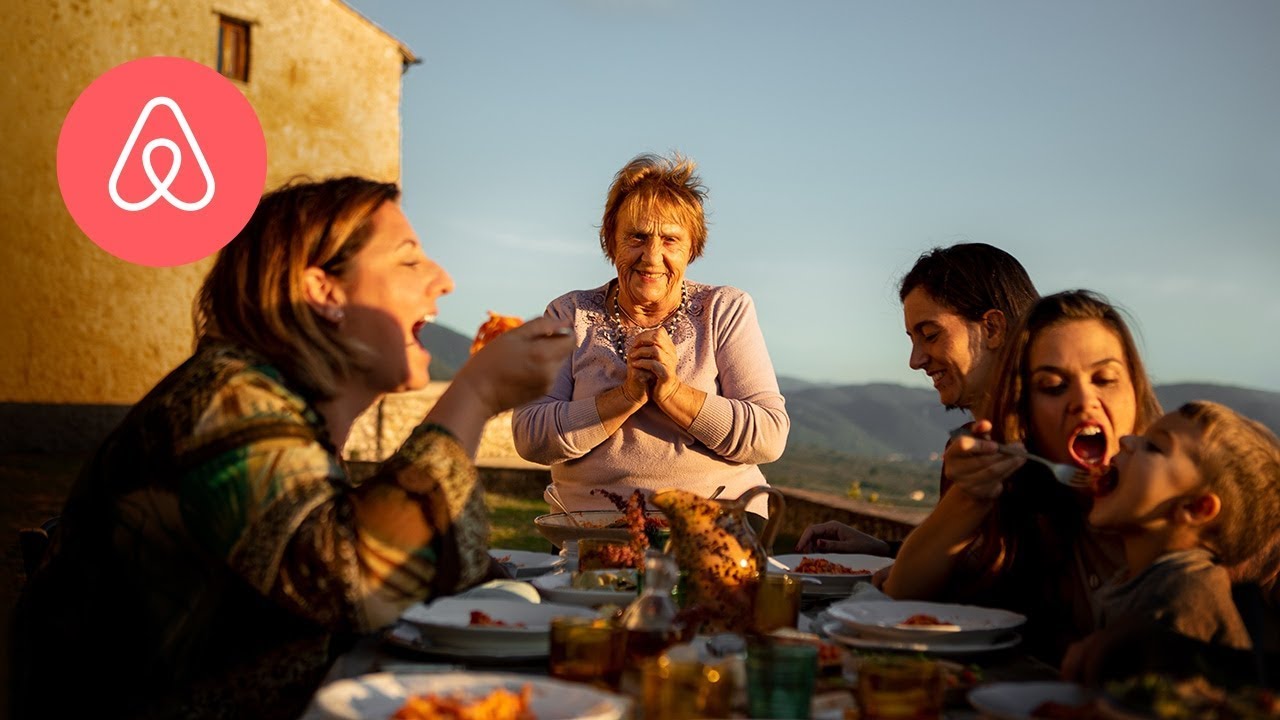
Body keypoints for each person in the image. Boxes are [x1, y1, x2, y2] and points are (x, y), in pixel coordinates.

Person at [9, 177, 574, 719]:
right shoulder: (225, 400)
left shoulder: (280, 408)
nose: (444, 279)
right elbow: (352, 581)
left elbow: (328, 541)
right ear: (323, 292)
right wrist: (474, 395)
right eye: (408, 258)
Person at [884, 290, 1163, 663]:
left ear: (1135, 389)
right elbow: (901, 595)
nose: (1083, 400)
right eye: (1053, 386)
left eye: (1105, 379)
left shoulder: (1184, 507)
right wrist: (968, 498)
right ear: (1026, 409)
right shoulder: (1025, 501)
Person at [511, 152, 789, 520]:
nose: (652, 256)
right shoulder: (569, 315)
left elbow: (769, 435)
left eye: (671, 240)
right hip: (590, 529)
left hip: (717, 528)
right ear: (611, 242)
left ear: (693, 248)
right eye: (637, 237)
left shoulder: (724, 309)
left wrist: (672, 392)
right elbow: (530, 435)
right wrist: (626, 396)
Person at [796, 242, 1038, 555]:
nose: (916, 360)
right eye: (913, 339)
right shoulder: (967, 447)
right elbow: (968, 565)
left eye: (931, 334)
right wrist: (884, 551)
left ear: (992, 328)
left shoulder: (1049, 449)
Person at [1061, 401, 1280, 681]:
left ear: (1194, 509)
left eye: (1154, 447)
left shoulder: (1184, 595)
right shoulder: (1133, 577)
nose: (1127, 440)